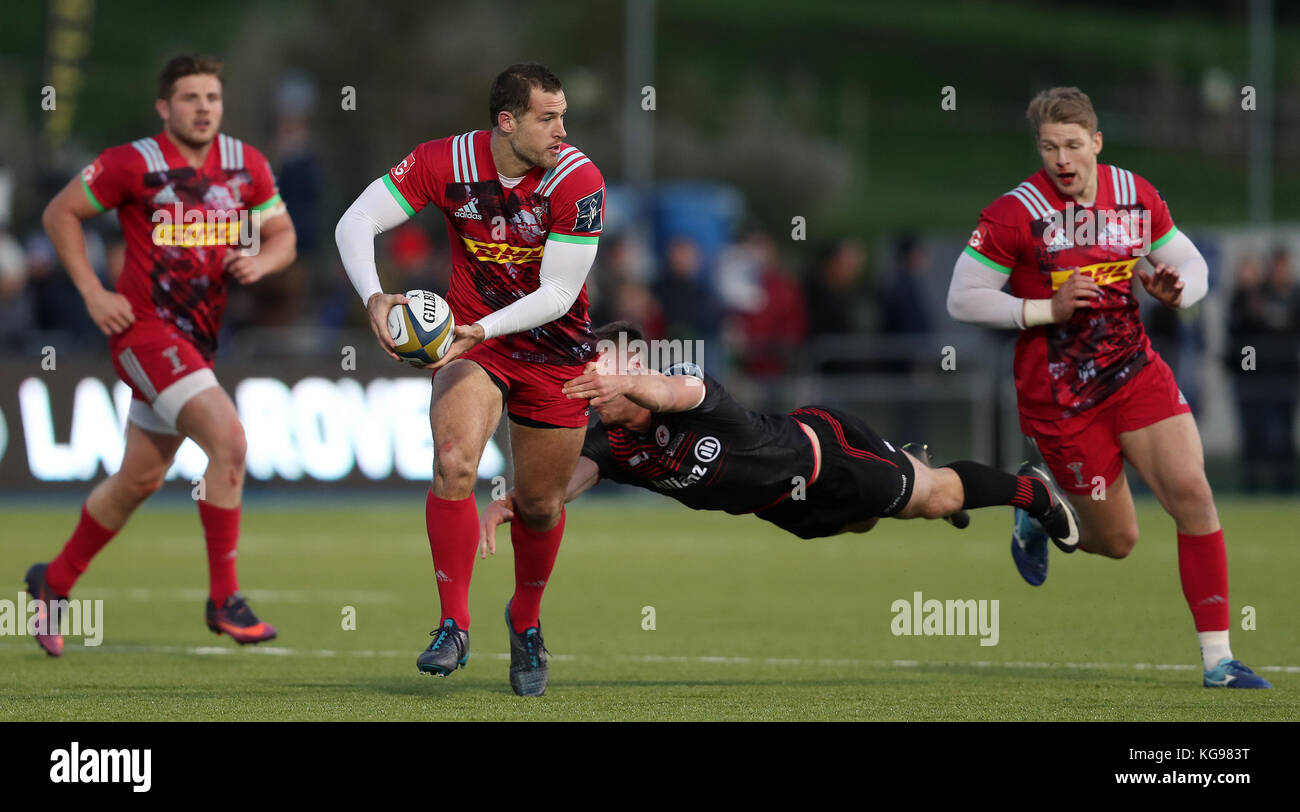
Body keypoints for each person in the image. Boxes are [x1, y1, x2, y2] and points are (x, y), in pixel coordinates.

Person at [946, 86, 1269, 688]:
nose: (1061, 160)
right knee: (1117, 541)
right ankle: (1038, 509)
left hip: (1135, 372)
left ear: (1096, 142)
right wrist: (1046, 308)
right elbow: (961, 298)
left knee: (1194, 494)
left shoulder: (1134, 194)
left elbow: (1193, 267)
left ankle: (1218, 660)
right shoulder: (1014, 213)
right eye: (1049, 147)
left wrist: (1181, 294)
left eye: (1072, 145)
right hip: (1061, 399)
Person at [335, 63, 605, 696]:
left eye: (564, 114)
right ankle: (452, 623)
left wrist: (480, 330)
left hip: (553, 350)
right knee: (453, 461)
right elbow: (354, 224)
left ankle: (526, 621)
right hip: (473, 345)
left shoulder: (578, 179)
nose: (563, 129)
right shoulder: (443, 161)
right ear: (506, 122)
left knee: (540, 506)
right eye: (549, 117)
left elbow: (561, 292)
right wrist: (374, 297)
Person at [25, 55, 297, 655]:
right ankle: (224, 598)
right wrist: (94, 292)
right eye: (190, 97)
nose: (203, 107)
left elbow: (283, 236)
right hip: (144, 335)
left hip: (197, 344)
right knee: (230, 440)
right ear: (164, 107)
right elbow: (59, 213)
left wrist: (260, 260)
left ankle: (54, 581)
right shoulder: (133, 163)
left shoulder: (245, 164)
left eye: (212, 97)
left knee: (138, 479)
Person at [478, 320, 1078, 569]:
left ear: (632, 362)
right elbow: (558, 492)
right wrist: (515, 502)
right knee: (867, 524)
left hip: (827, 455)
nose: (590, 384)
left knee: (937, 498)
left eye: (601, 369)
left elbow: (668, 392)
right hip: (788, 511)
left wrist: (625, 381)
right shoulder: (608, 446)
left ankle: (1034, 493)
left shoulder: (684, 386)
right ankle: (918, 469)